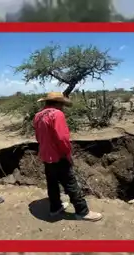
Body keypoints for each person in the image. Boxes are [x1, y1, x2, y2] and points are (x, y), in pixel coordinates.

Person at [32, 91, 102, 222]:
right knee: (70, 183)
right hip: (58, 156)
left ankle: (55, 208)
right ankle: (82, 212)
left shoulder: (38, 115)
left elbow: (38, 137)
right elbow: (62, 138)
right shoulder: (57, 114)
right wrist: (67, 154)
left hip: (46, 155)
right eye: (62, 104)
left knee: (52, 183)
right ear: (58, 103)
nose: (63, 107)